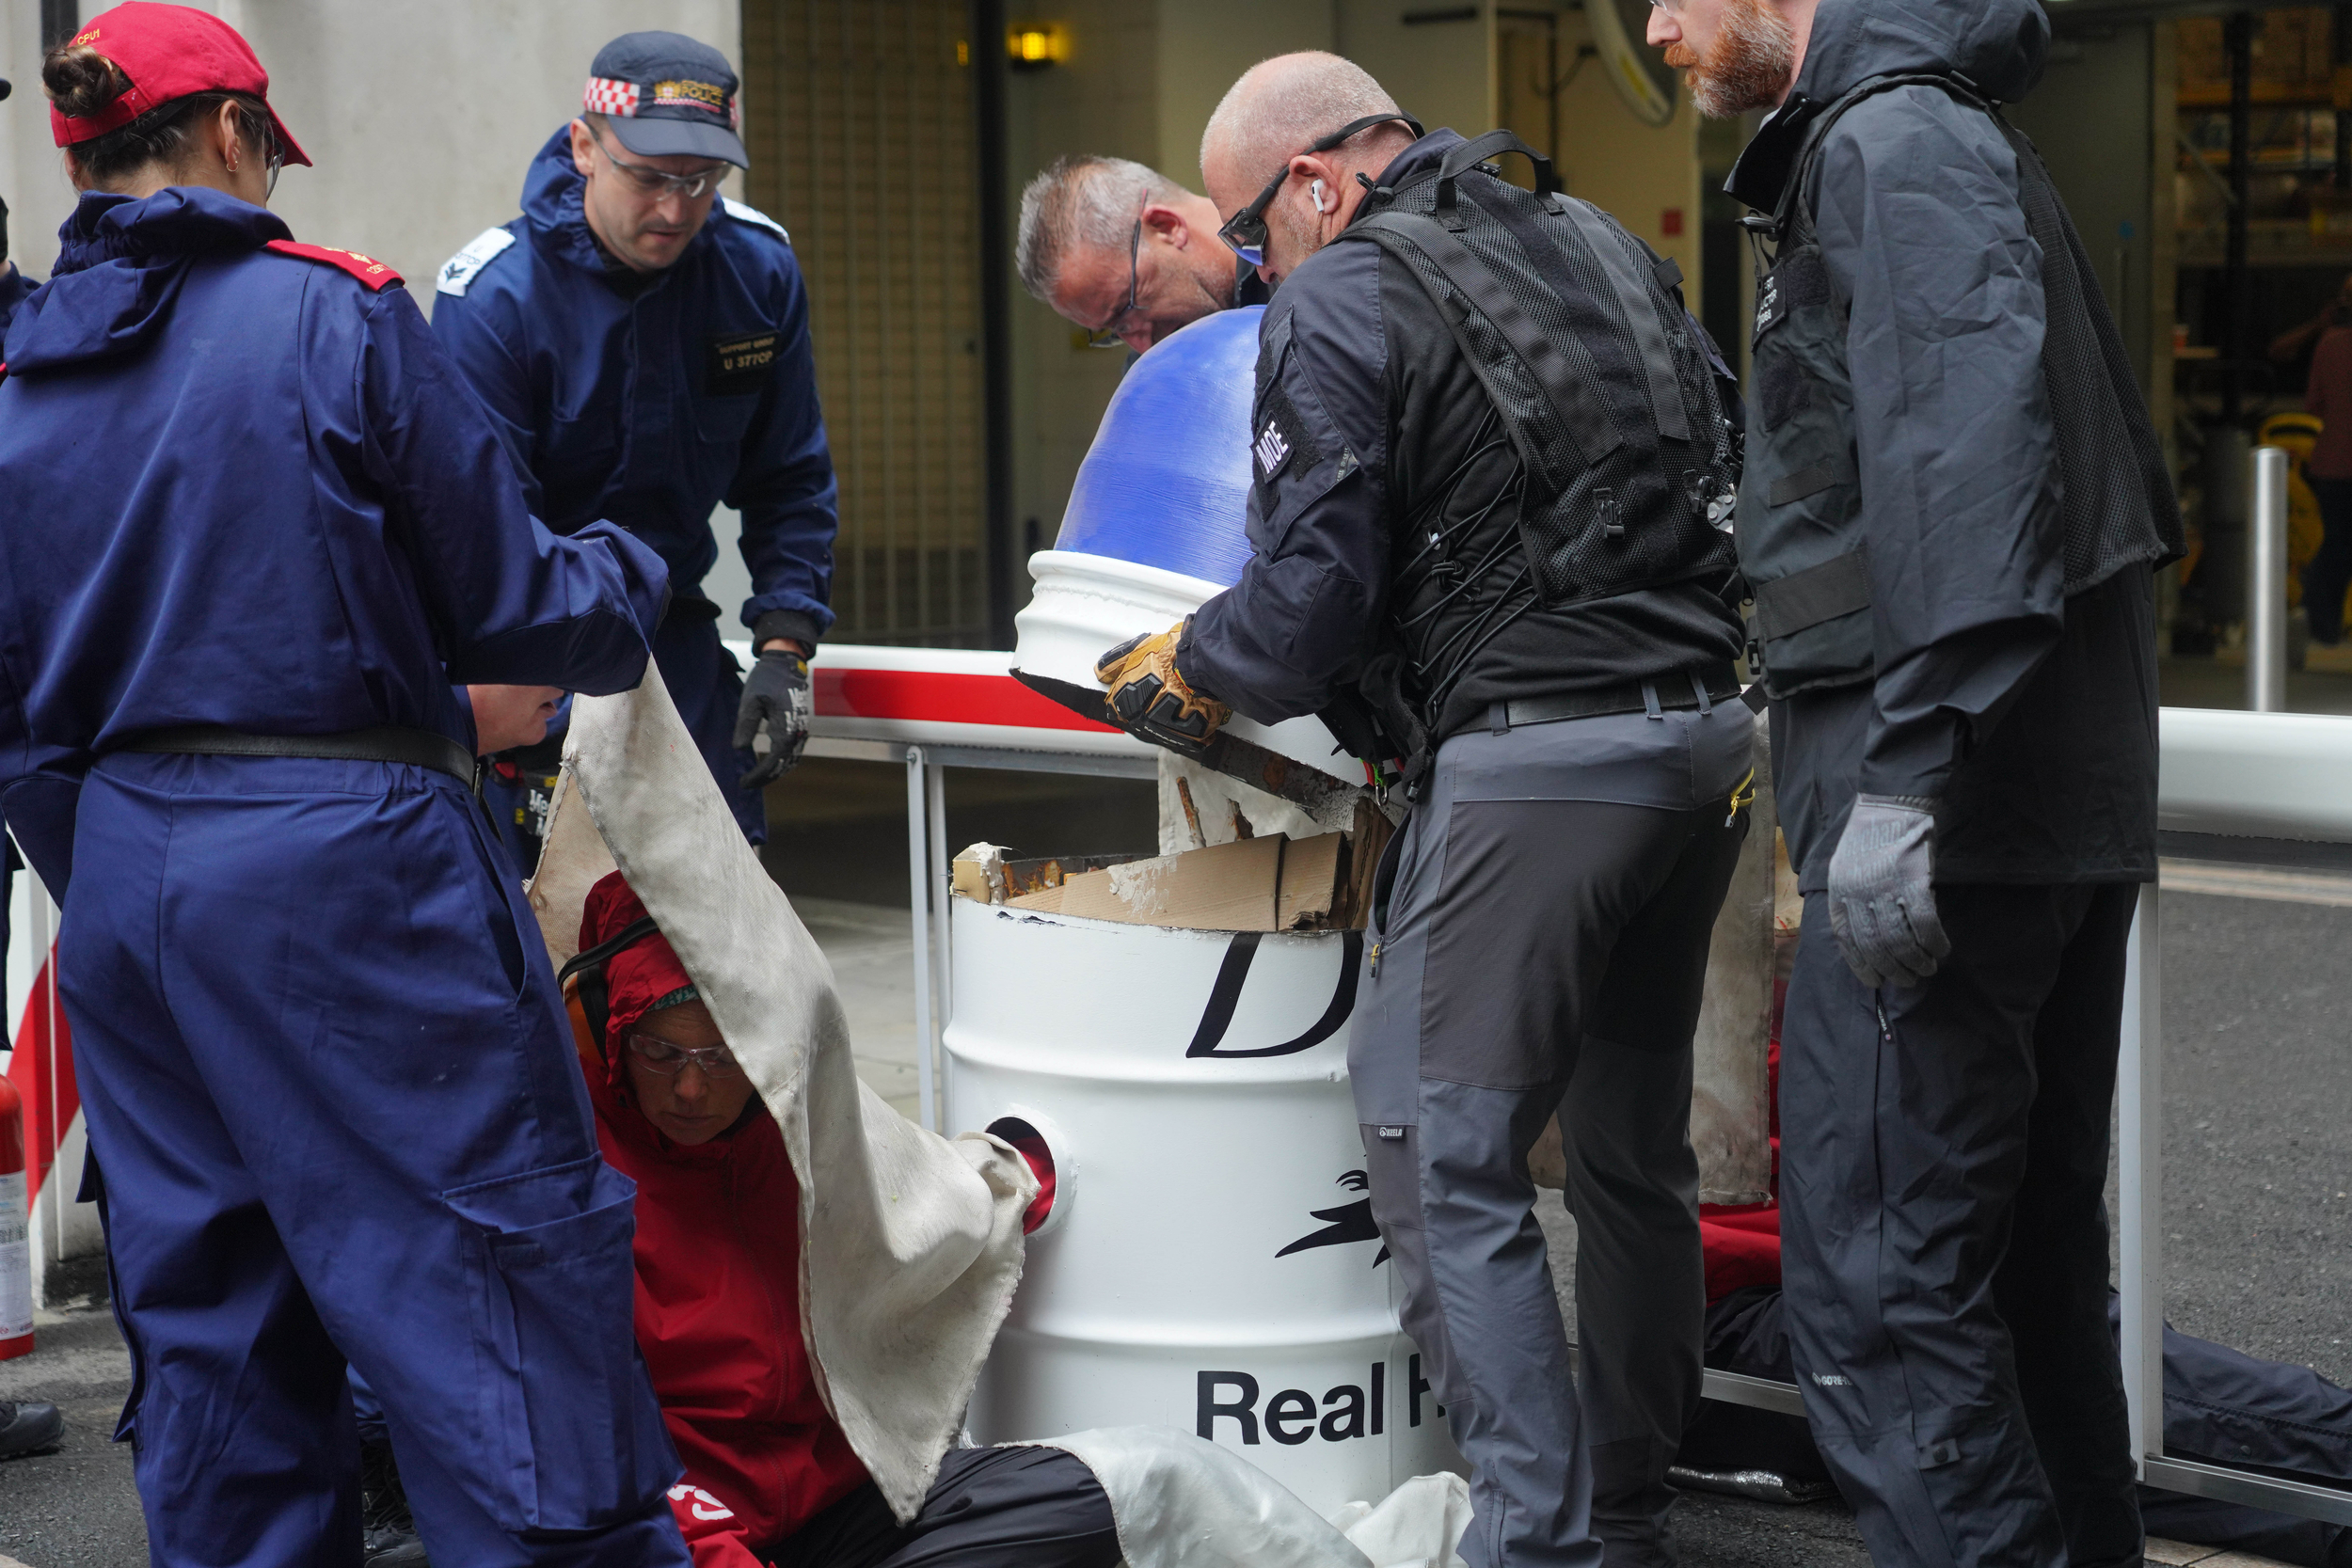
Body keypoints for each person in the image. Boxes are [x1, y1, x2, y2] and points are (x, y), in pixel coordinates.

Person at [0, 8, 691, 1565]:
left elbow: (16, 729)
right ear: (241, 137)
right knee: (489, 1293)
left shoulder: (18, 381)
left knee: (218, 1336)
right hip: (355, 869)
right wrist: (639, 567)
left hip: (124, 882)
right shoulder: (334, 314)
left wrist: (120, 862)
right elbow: (526, 605)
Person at [1104, 51, 1754, 1568]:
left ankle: (1537, 1540)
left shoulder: (1342, 293)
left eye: (1258, 233)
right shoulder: (1593, 234)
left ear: (1316, 181)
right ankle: (1633, 1505)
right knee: (1628, 1147)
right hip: (1704, 745)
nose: (1261, 267)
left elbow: (1314, 593)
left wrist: (1196, 658)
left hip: (1539, 770)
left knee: (1433, 1147)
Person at [1645, 0, 2182, 1563]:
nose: (1664, 30)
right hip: (2016, 802)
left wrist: (1909, 776)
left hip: (1955, 815)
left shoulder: (1894, 141)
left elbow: (1969, 455)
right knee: (2010, 1271)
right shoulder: (1923, 132)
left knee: (1880, 1282)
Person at [431, 30, 837, 866]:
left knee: (710, 944)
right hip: (534, 657)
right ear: (585, 146)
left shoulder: (754, 273)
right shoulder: (495, 300)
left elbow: (790, 476)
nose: (678, 208)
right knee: (551, 952)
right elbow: (485, 535)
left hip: (678, 651)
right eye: (650, 177)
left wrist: (785, 650)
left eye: (702, 181)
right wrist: (521, 696)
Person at [1015, 154, 1268, 353]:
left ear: (1165, 227)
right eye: (1117, 330)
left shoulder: (1296, 261)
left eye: (1126, 307)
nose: (1143, 346)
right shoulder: (1157, 373)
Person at [2296, 281, 2352, 645]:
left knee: (2336, 545)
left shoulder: (2330, 343)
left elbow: (2313, 404)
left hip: (2332, 462)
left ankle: (2321, 624)